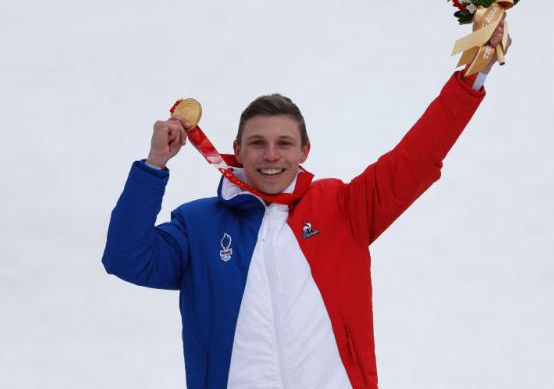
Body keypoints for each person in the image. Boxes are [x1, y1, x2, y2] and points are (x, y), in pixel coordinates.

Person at [103, 21, 510, 389]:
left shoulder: (343, 208)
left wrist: (475, 74)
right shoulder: (199, 225)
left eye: (284, 144)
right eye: (258, 144)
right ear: (238, 152)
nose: (271, 156)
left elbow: (418, 157)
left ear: (304, 152)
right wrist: (154, 166)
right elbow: (125, 258)